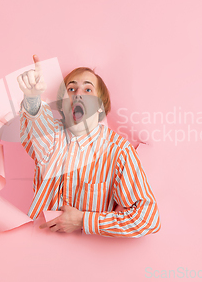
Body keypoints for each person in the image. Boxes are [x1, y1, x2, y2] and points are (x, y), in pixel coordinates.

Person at [17, 54, 160, 238]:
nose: (78, 93)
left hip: (89, 258)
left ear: (100, 106)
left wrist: (83, 220)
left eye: (88, 89)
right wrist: (31, 97)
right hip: (36, 246)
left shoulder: (118, 151)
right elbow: (35, 124)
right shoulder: (51, 136)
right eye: (71, 88)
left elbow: (148, 218)